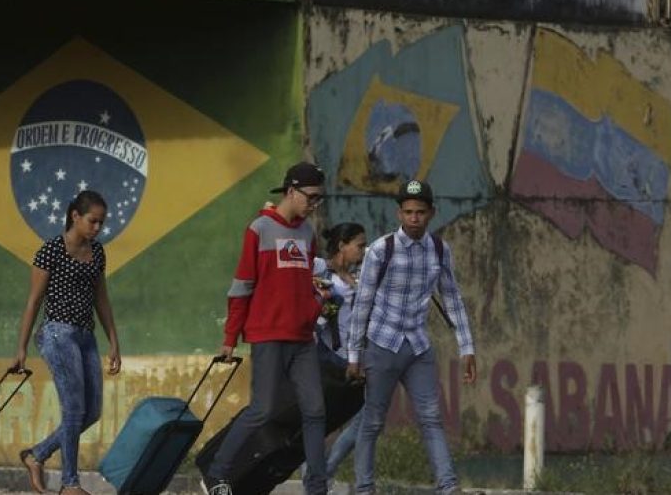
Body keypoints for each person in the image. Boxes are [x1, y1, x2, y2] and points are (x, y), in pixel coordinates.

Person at [345, 179, 477, 495]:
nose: (414, 218)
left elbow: (453, 298)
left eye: (420, 212)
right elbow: (361, 303)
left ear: (431, 213)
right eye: (408, 212)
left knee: (431, 418)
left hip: (417, 347)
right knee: (373, 421)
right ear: (399, 213)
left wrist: (467, 346)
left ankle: (448, 486)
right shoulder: (381, 250)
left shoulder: (440, 250)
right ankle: (364, 488)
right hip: (381, 345)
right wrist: (354, 355)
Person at [204, 161, 329, 495]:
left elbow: (306, 283)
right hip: (268, 335)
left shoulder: (307, 232)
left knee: (316, 411)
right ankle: (217, 474)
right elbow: (242, 286)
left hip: (303, 338)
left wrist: (314, 306)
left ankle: (317, 486)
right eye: (311, 197)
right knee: (262, 410)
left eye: (319, 198)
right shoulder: (259, 229)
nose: (315, 204)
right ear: (291, 191)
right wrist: (230, 338)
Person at [11, 190, 122, 495]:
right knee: (74, 409)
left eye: (101, 223)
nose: (97, 228)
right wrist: (21, 348)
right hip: (57, 334)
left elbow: (102, 298)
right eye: (92, 221)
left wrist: (113, 339)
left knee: (92, 412)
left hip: (86, 336)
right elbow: (33, 302)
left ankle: (37, 456)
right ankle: (69, 484)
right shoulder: (50, 251)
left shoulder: (97, 253)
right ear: (75, 216)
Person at [313, 222, 367, 479]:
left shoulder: (359, 277)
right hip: (330, 357)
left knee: (365, 418)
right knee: (320, 422)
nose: (364, 251)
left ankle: (324, 470)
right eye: (360, 245)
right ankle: (314, 474)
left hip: (353, 355)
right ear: (342, 245)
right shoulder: (322, 271)